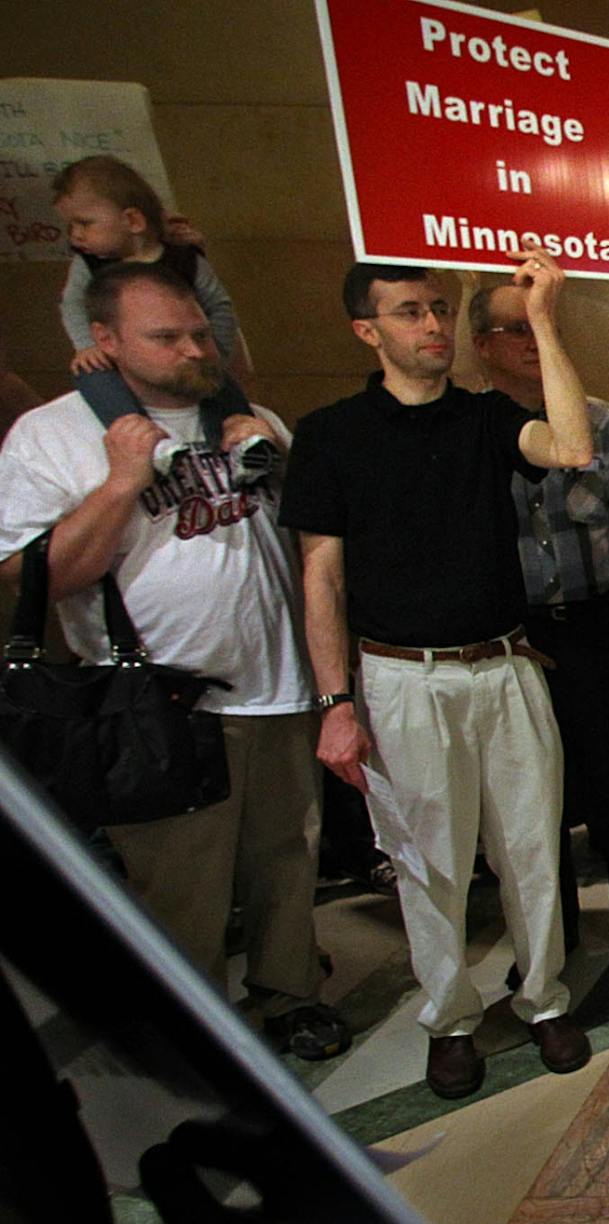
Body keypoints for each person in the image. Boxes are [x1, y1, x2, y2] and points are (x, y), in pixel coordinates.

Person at [0, 260, 350, 1060]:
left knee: (287, 856)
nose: (194, 349)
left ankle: (292, 994)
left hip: (276, 682)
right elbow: (32, 575)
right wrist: (121, 482)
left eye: (200, 333)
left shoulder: (247, 415)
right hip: (159, 702)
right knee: (181, 885)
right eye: (167, 337)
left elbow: (317, 542)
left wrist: (282, 456)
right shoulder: (55, 433)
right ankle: (196, 1029)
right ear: (106, 338)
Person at [281, 249, 598, 1100]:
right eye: (410, 312)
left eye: (439, 309)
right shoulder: (330, 434)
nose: (432, 325)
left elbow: (571, 444)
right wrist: (334, 701)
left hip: (503, 662)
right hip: (401, 676)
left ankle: (543, 997)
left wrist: (542, 319)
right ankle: (450, 1019)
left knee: (533, 848)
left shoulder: (484, 417)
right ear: (367, 329)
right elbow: (321, 576)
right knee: (429, 863)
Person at [469, 278, 609, 975]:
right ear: (482, 346)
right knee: (530, 804)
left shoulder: (603, 423)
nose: (534, 341)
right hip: (517, 637)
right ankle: (547, 942)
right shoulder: (470, 430)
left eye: (544, 325)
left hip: (600, 627)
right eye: (517, 328)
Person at [51, 157, 255, 430]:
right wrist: (86, 346)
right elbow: (72, 306)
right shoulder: (87, 264)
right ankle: (136, 431)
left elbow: (219, 305)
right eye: (70, 227)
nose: (75, 235)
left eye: (85, 223)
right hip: (117, 363)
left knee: (224, 393)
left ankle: (238, 439)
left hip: (196, 362)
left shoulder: (185, 259)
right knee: (94, 378)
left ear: (133, 220)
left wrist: (216, 350)